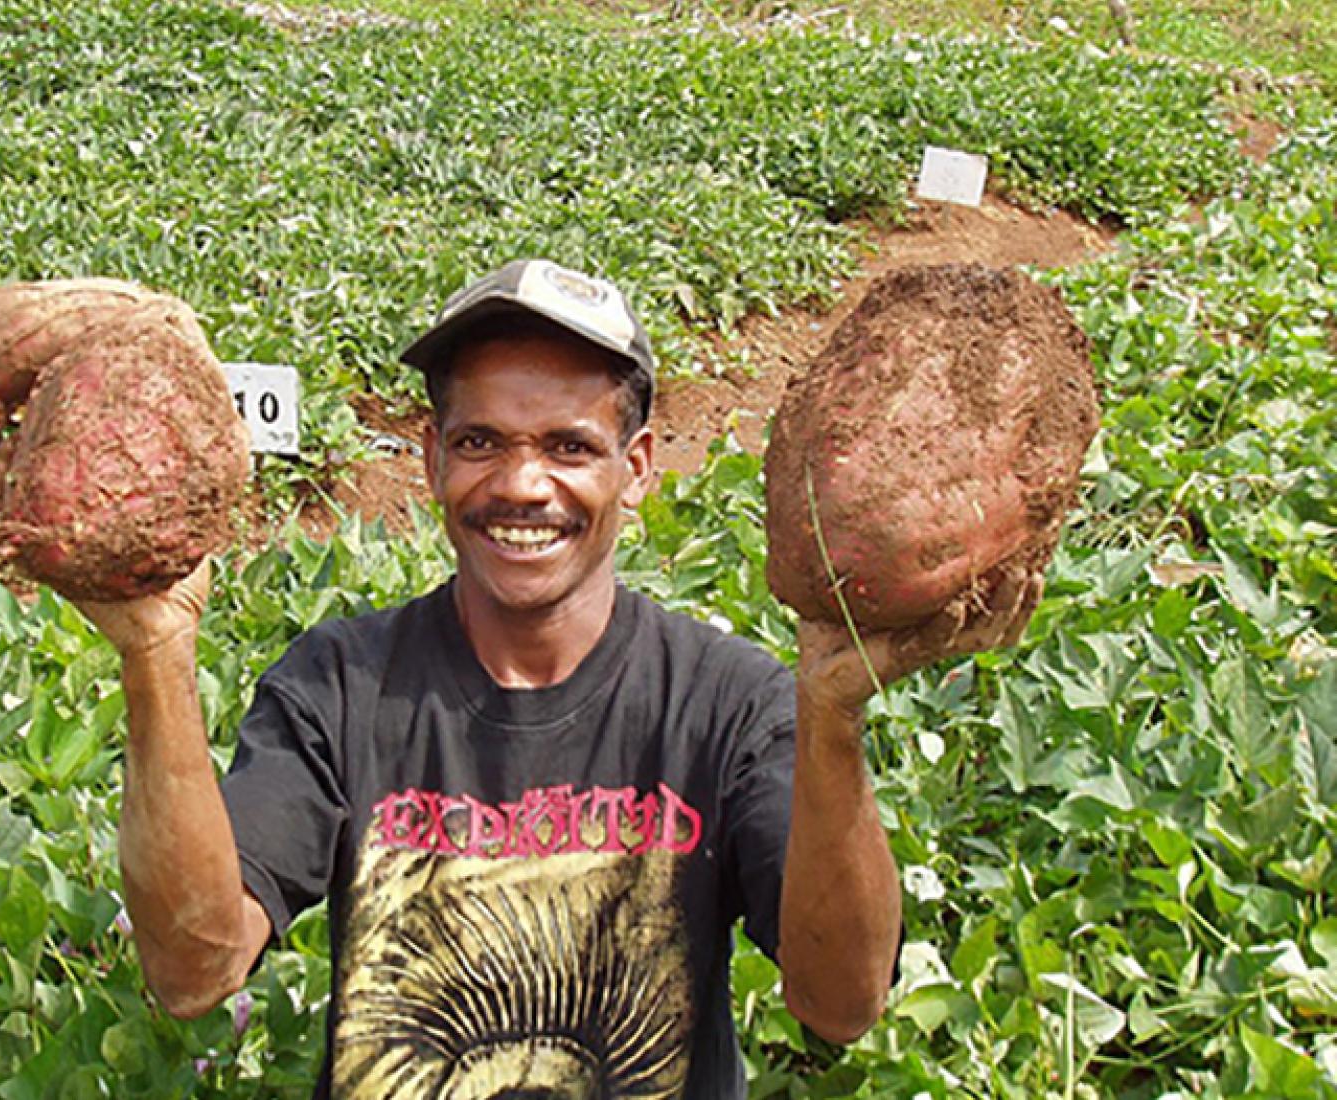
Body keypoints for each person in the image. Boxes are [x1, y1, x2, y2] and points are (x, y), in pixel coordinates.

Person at [76, 259, 1040, 1098]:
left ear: (639, 467)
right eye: (481, 441)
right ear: (431, 459)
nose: (521, 484)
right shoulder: (339, 685)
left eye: (570, 447)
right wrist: (154, 652)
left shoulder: (728, 702)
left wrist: (832, 712)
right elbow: (193, 970)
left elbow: (843, 1004)